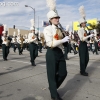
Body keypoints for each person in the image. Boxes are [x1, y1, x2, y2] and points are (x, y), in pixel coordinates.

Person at [43, 4, 70, 100]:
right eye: (55, 18)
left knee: (63, 73)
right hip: (51, 52)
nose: (57, 19)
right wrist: (62, 40)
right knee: (52, 74)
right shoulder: (47, 29)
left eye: (58, 18)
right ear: (50, 19)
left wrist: (66, 38)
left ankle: (52, 88)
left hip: (59, 52)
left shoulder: (60, 29)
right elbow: (50, 43)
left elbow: (65, 44)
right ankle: (54, 95)